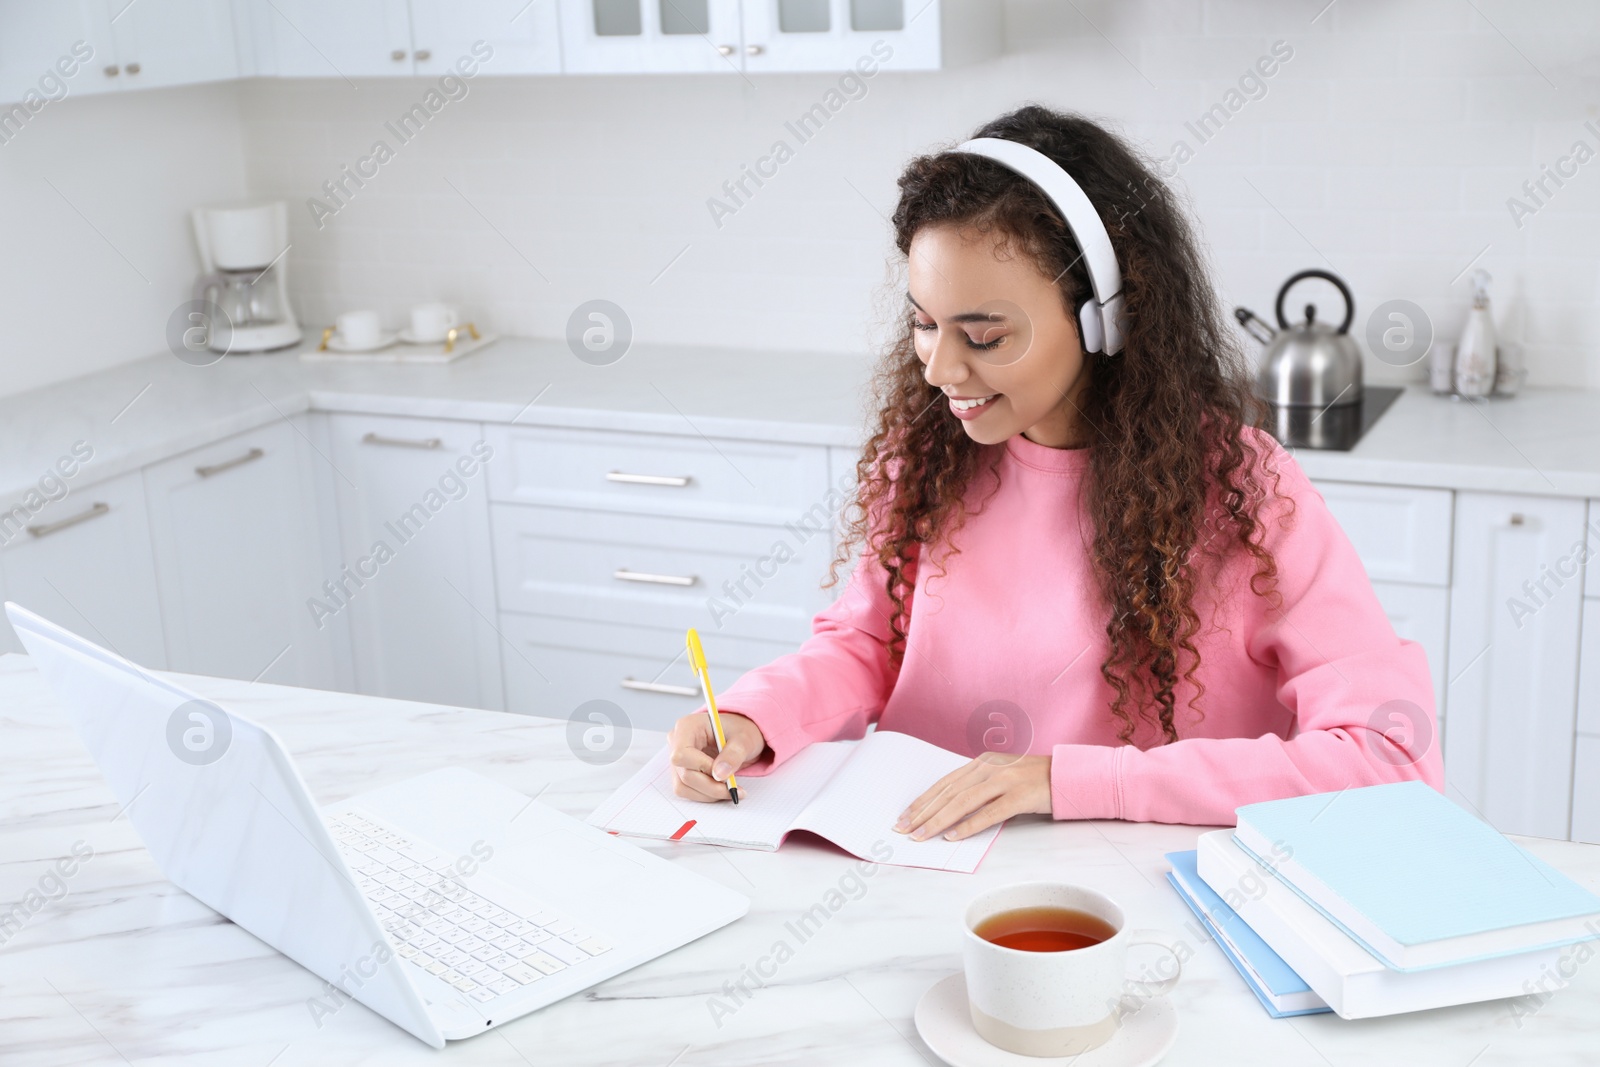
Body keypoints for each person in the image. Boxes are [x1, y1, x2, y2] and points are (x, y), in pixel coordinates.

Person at [665, 104, 1441, 842]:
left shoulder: (1243, 493)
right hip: (920, 872)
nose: (938, 368)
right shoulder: (933, 462)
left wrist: (1064, 781)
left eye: (985, 334)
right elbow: (870, 641)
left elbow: (1391, 753)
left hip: (1127, 903)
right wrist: (754, 719)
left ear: (1103, 315)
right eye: (924, 323)